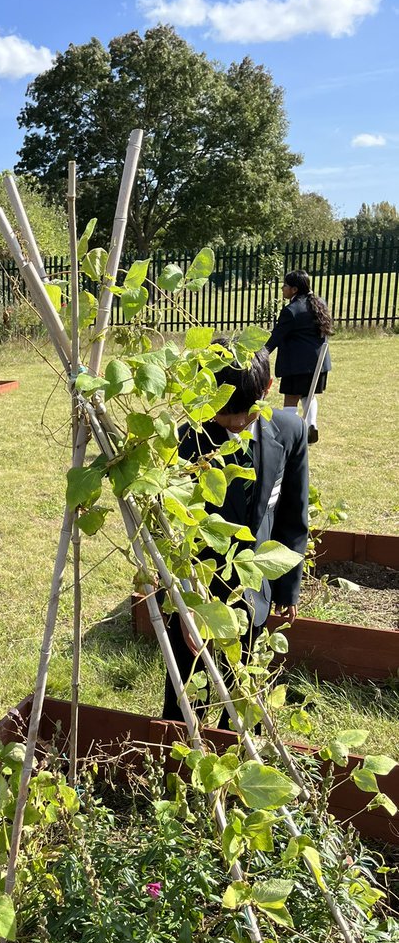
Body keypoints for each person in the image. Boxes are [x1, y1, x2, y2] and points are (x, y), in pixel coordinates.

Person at [160, 345, 308, 726]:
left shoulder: (289, 432)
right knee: (184, 689)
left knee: (241, 691)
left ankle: (238, 748)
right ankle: (180, 752)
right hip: (197, 584)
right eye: (223, 417)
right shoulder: (187, 441)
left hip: (252, 590)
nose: (233, 425)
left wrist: (289, 586)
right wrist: (189, 605)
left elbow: (292, 513)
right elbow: (173, 530)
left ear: (268, 389)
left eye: (241, 418)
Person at [266, 269, 333, 444]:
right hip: (319, 363)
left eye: (285, 285)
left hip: (296, 364)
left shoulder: (291, 310)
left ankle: (292, 434)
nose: (282, 288)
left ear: (294, 289)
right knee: (308, 396)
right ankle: (311, 424)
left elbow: (276, 336)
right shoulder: (320, 303)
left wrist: (261, 355)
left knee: (291, 398)